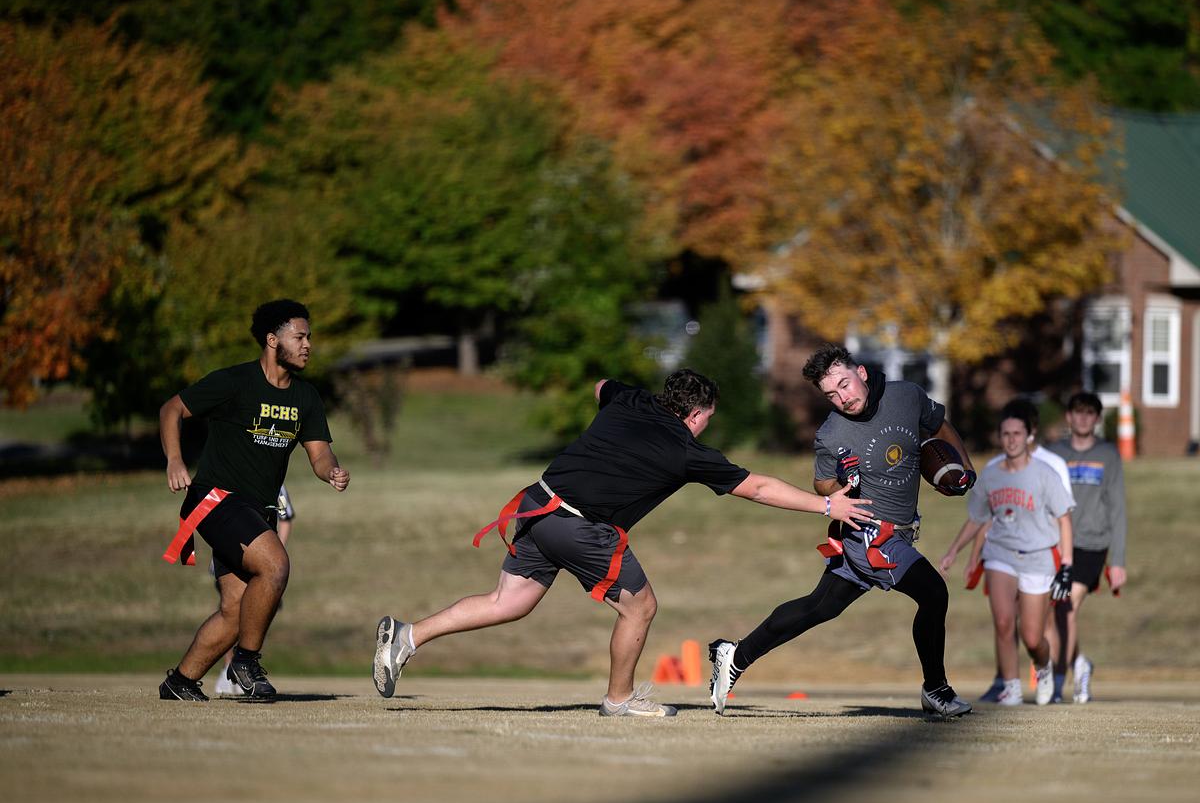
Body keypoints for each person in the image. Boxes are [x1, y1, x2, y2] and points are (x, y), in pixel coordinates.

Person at [372, 369, 873, 718]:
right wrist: (830, 507)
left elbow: (601, 386)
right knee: (641, 607)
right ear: (696, 414)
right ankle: (619, 700)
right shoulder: (684, 449)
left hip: (537, 502)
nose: (706, 426)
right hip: (578, 525)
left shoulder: (631, 398)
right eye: (708, 417)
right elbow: (758, 487)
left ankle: (407, 637)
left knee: (509, 602)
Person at [708, 344, 977, 719]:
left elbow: (939, 426)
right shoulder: (831, 433)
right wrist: (840, 485)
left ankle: (735, 654)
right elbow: (821, 484)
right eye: (831, 394)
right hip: (868, 531)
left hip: (899, 531)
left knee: (821, 606)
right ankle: (936, 689)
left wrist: (963, 468)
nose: (842, 398)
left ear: (862, 373)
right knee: (933, 593)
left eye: (845, 385)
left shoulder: (907, 396)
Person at [158, 300, 350, 702]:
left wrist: (331, 470)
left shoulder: (306, 398)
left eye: (308, 337)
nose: (307, 344)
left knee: (237, 611)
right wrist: (175, 459)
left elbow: (319, 454)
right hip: (214, 500)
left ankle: (180, 681)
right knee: (276, 564)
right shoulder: (235, 382)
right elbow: (171, 409)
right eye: (299, 336)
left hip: (254, 510)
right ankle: (245, 661)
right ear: (271, 340)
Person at [940, 410, 1074, 706]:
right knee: (1002, 622)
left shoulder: (1044, 473)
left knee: (1032, 637)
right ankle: (1011, 687)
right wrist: (954, 551)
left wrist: (1066, 565)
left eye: (1016, 433)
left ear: (1029, 436)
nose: (1011, 439)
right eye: (1005, 434)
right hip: (1000, 553)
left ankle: (1043, 666)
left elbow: (1064, 519)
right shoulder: (991, 474)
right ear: (1000, 438)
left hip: (1038, 556)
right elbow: (977, 518)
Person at [1045, 391, 1127, 703]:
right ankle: (1080, 664)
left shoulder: (1109, 454)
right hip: (1057, 542)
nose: (1083, 418)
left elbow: (1118, 507)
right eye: (1077, 412)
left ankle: (1059, 679)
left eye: (1089, 413)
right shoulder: (1054, 453)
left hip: (1093, 543)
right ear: (1069, 417)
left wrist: (1117, 560)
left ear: (1096, 418)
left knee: (1067, 606)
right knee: (1055, 612)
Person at [213, 485, 294, 698]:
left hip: (264, 560)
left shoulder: (275, 484)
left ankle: (244, 665)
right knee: (232, 612)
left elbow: (286, 517)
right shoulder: (227, 476)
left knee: (256, 615)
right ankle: (229, 669)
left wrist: (273, 556)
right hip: (234, 557)